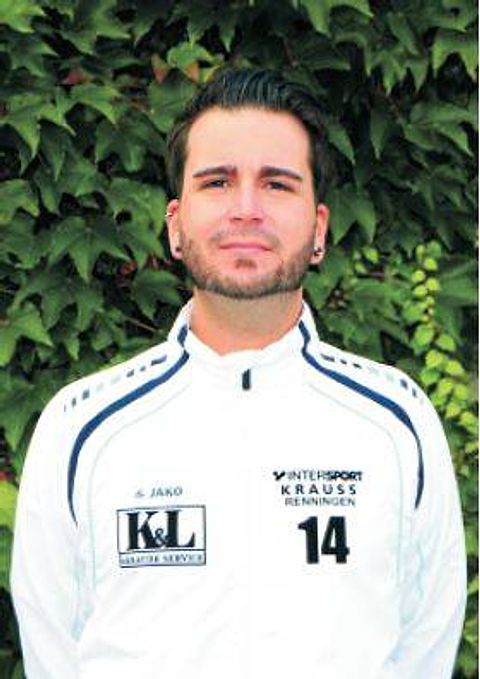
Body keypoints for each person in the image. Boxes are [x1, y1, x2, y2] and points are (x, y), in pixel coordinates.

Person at [11, 67, 466, 678]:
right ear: (175, 225)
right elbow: (52, 652)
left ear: (319, 229)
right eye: (217, 182)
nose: (246, 210)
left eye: (277, 184)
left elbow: (425, 647)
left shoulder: (396, 421)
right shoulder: (81, 426)